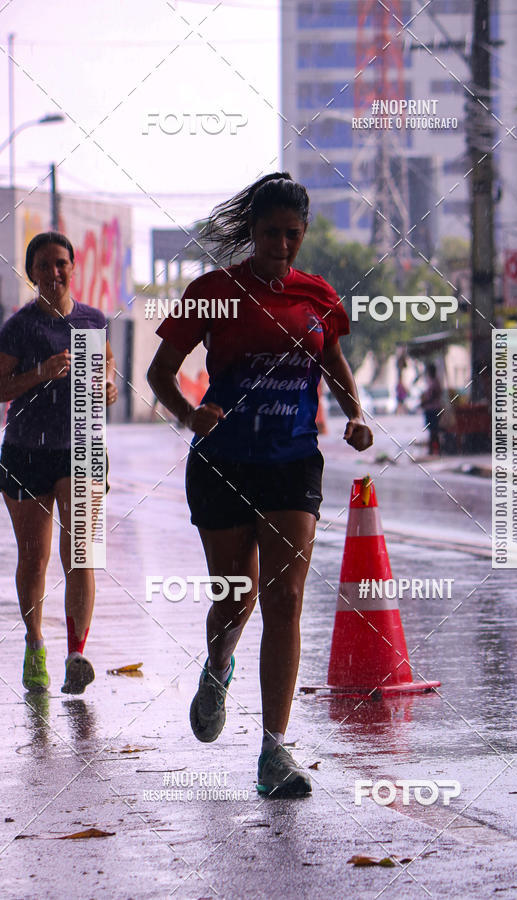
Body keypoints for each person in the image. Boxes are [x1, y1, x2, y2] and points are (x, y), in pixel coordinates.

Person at [147, 172, 373, 797]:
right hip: (223, 463)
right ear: (252, 231)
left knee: (287, 599)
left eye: (291, 235)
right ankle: (218, 667)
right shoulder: (214, 292)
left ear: (304, 234)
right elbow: (160, 370)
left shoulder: (319, 295)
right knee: (236, 596)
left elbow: (333, 364)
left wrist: (355, 412)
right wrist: (189, 414)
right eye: (270, 233)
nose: (280, 245)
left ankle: (275, 751)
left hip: (292, 462)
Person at [0, 232, 118, 695]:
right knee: (35, 558)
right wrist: (39, 374)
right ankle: (35, 643)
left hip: (82, 446)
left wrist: (108, 384)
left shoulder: (92, 320)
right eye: (44, 265)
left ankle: (76, 654)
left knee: (82, 554)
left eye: (61, 263)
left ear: (74, 267)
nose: (54, 272)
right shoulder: (18, 327)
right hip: (27, 450)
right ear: (31, 273)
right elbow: (0, 387)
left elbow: (106, 364)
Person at [420, 361, 442, 455]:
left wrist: (424, 402)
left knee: (434, 430)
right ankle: (433, 449)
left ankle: (434, 449)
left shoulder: (434, 382)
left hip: (433, 409)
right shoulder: (432, 381)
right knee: (432, 430)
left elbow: (433, 396)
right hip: (430, 408)